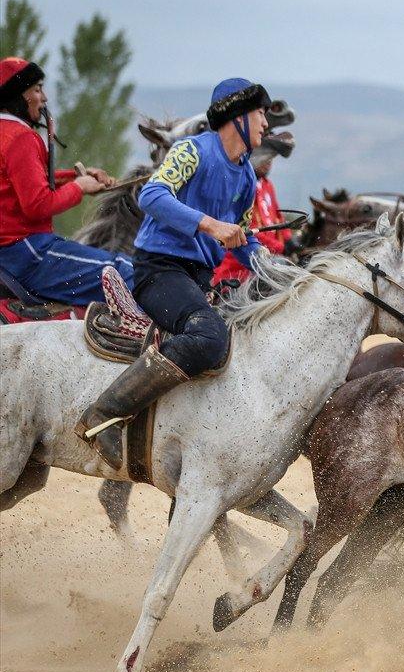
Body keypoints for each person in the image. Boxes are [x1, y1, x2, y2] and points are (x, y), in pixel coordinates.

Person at [76, 78, 271, 468]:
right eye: (261, 113)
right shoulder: (191, 151)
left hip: (198, 278)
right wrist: (211, 225)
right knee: (209, 337)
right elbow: (152, 195)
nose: (267, 123)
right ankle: (103, 415)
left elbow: (243, 238)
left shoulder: (248, 178)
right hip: (159, 271)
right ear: (237, 117)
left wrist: (275, 269)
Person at [0, 56, 129, 304]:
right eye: (37, 89)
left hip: (10, 254)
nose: (44, 98)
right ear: (19, 96)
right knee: (125, 271)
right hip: (28, 254)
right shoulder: (20, 137)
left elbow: (20, 182)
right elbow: (37, 204)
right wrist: (78, 188)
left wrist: (76, 177)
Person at [212, 133, 295, 285]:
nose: (268, 162)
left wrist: (289, 239)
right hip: (240, 266)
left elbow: (278, 216)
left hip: (270, 255)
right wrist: (280, 247)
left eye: (271, 158)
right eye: (265, 156)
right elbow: (246, 228)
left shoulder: (267, 185)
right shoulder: (243, 187)